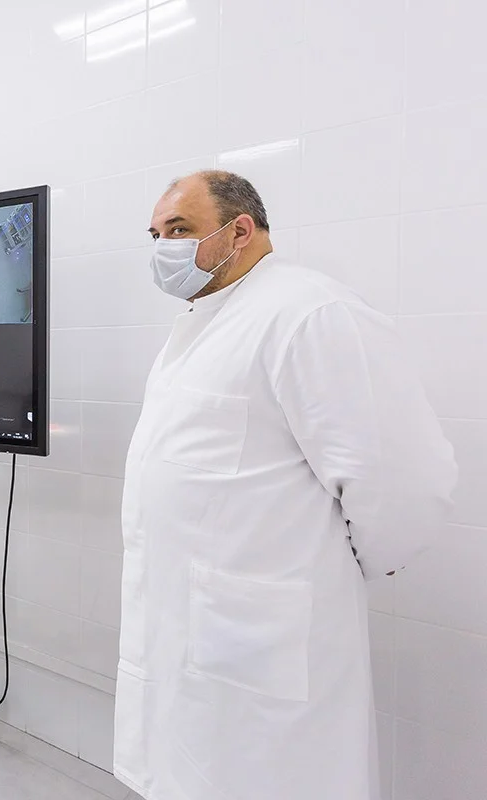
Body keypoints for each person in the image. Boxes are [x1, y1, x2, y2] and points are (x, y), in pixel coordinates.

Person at [116, 170, 457, 800]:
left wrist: (339, 562)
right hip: (194, 626)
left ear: (239, 230)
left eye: (180, 230)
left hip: (261, 637)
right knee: (194, 769)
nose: (163, 248)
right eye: (156, 235)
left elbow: (404, 480)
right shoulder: (203, 322)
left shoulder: (308, 313)